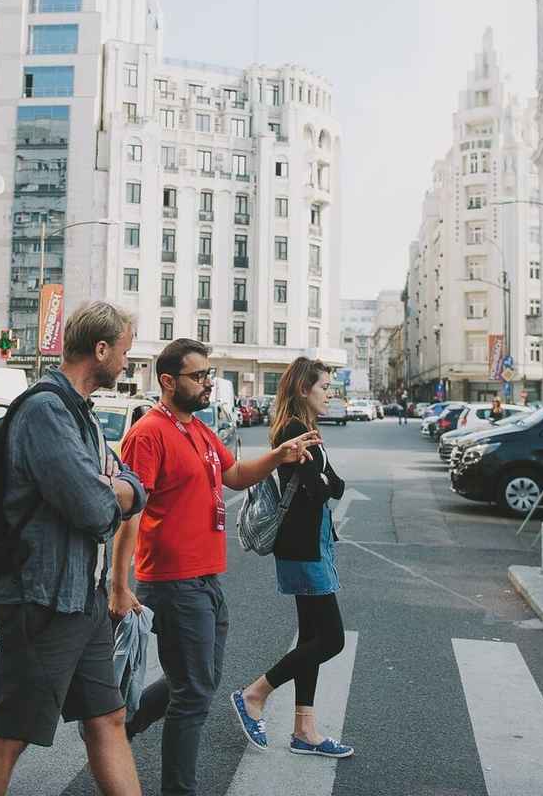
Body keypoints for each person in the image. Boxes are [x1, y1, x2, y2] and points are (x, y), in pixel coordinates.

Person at [111, 339, 320, 796]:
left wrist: (279, 456)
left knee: (196, 680)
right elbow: (130, 509)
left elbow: (235, 476)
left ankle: (120, 729)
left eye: (209, 374)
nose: (208, 383)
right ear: (168, 382)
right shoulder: (149, 432)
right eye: (198, 375)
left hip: (207, 578)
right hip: (172, 580)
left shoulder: (199, 430)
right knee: (193, 696)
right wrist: (118, 583)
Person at [0, 302, 147, 796]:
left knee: (109, 717)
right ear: (100, 350)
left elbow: (134, 487)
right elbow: (94, 510)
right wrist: (110, 490)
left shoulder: (83, 415)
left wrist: (116, 487)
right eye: (124, 352)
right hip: (44, 600)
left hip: (84, 598)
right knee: (10, 735)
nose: (126, 363)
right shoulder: (46, 411)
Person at [231, 358, 353, 758]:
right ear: (304, 389)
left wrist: (321, 479)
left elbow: (333, 484)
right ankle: (254, 693)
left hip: (312, 542)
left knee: (312, 637)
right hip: (302, 546)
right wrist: (321, 480)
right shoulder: (293, 431)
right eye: (324, 387)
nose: (329, 393)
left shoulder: (307, 432)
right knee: (331, 639)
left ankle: (305, 731)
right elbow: (319, 490)